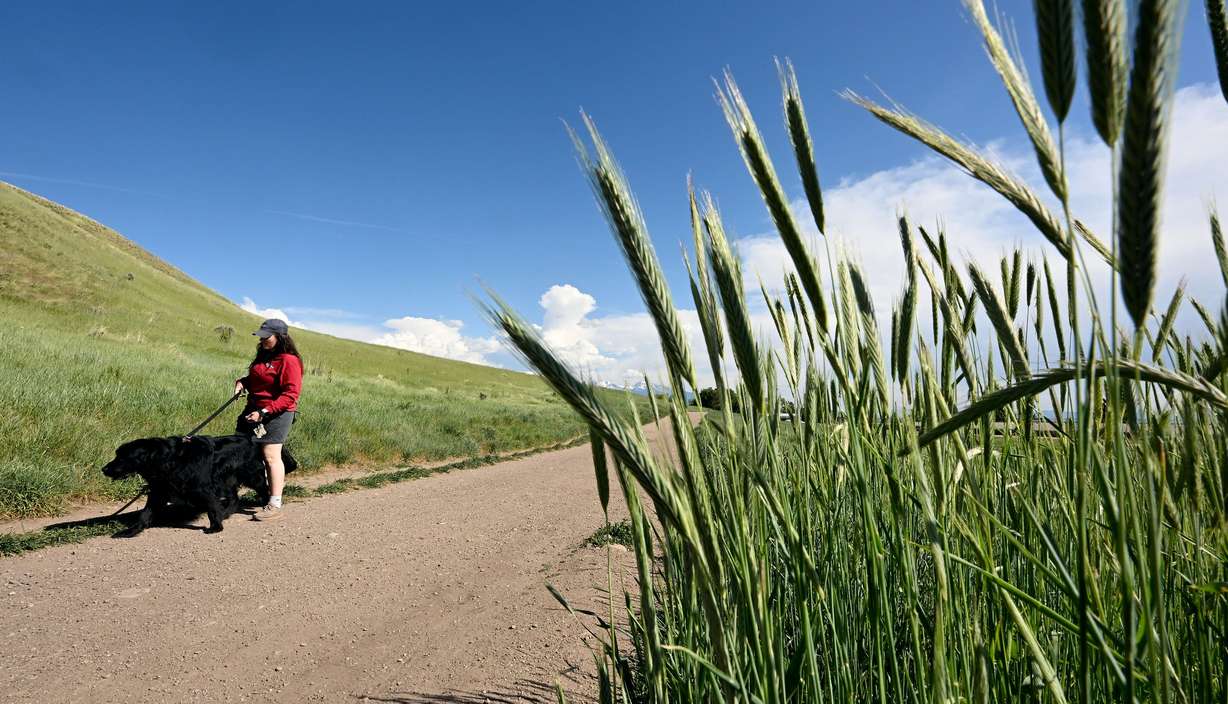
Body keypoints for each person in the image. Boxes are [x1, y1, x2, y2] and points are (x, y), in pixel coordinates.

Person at [234, 318, 303, 522]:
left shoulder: (289, 361)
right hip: (253, 410)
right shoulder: (263, 356)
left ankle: (274, 502)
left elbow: (290, 394)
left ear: (280, 337)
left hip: (278, 412)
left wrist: (264, 412)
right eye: (261, 336)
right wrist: (241, 383)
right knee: (240, 449)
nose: (262, 340)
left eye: (267, 336)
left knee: (270, 454)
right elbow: (256, 380)